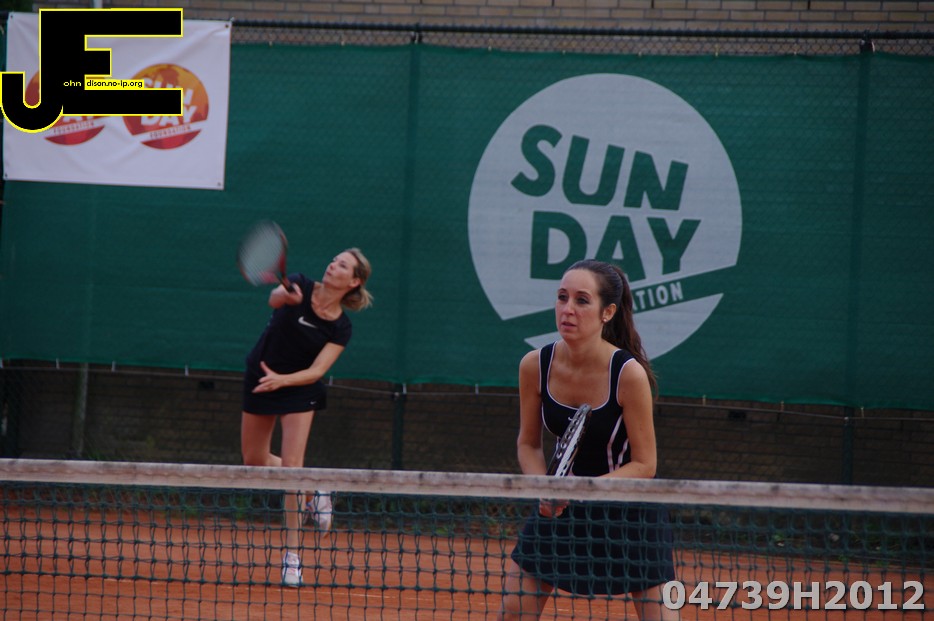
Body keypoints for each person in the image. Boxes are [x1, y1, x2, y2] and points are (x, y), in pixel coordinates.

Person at [498, 259, 678, 620]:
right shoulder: (534, 365)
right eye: (562, 297)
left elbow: (645, 464)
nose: (568, 309)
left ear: (607, 312)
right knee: (514, 612)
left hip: (629, 512)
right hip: (560, 509)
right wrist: (543, 488)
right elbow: (528, 443)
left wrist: (580, 490)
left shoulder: (628, 374)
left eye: (582, 300)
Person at [240, 247, 373, 588]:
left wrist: (283, 381)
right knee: (253, 460)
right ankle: (316, 489)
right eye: (334, 260)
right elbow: (273, 299)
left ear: (354, 281)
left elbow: (316, 371)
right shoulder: (298, 282)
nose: (333, 265)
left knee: (291, 470)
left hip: (298, 388)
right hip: (261, 376)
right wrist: (284, 297)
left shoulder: (341, 328)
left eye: (342, 265)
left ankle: (292, 558)